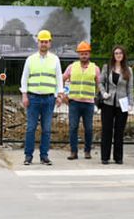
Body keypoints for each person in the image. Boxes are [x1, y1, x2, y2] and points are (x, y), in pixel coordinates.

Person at [20, 29, 64, 166]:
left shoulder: (55, 59)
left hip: (49, 99)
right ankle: (28, 156)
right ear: (37, 43)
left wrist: (59, 95)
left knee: (46, 129)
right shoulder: (30, 59)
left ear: (50, 43)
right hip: (33, 98)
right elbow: (24, 78)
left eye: (46, 41)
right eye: (41, 41)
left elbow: (59, 79)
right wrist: (24, 95)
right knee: (31, 128)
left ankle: (44, 156)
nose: (44, 44)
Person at [63, 41, 100, 161]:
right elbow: (62, 79)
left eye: (86, 53)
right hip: (74, 102)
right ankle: (73, 151)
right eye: (81, 54)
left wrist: (98, 97)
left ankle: (87, 151)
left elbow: (100, 84)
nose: (84, 56)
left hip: (88, 103)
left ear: (89, 54)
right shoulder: (71, 67)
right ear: (78, 55)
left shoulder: (95, 68)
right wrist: (63, 95)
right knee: (73, 127)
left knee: (88, 128)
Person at [98, 45, 133, 165]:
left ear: (123, 55)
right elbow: (100, 82)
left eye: (120, 53)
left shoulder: (128, 70)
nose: (118, 55)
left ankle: (118, 157)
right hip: (108, 102)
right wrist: (103, 93)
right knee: (107, 130)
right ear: (113, 55)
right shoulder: (107, 68)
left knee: (119, 131)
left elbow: (130, 89)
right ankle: (105, 157)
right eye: (116, 53)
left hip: (122, 103)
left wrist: (131, 103)